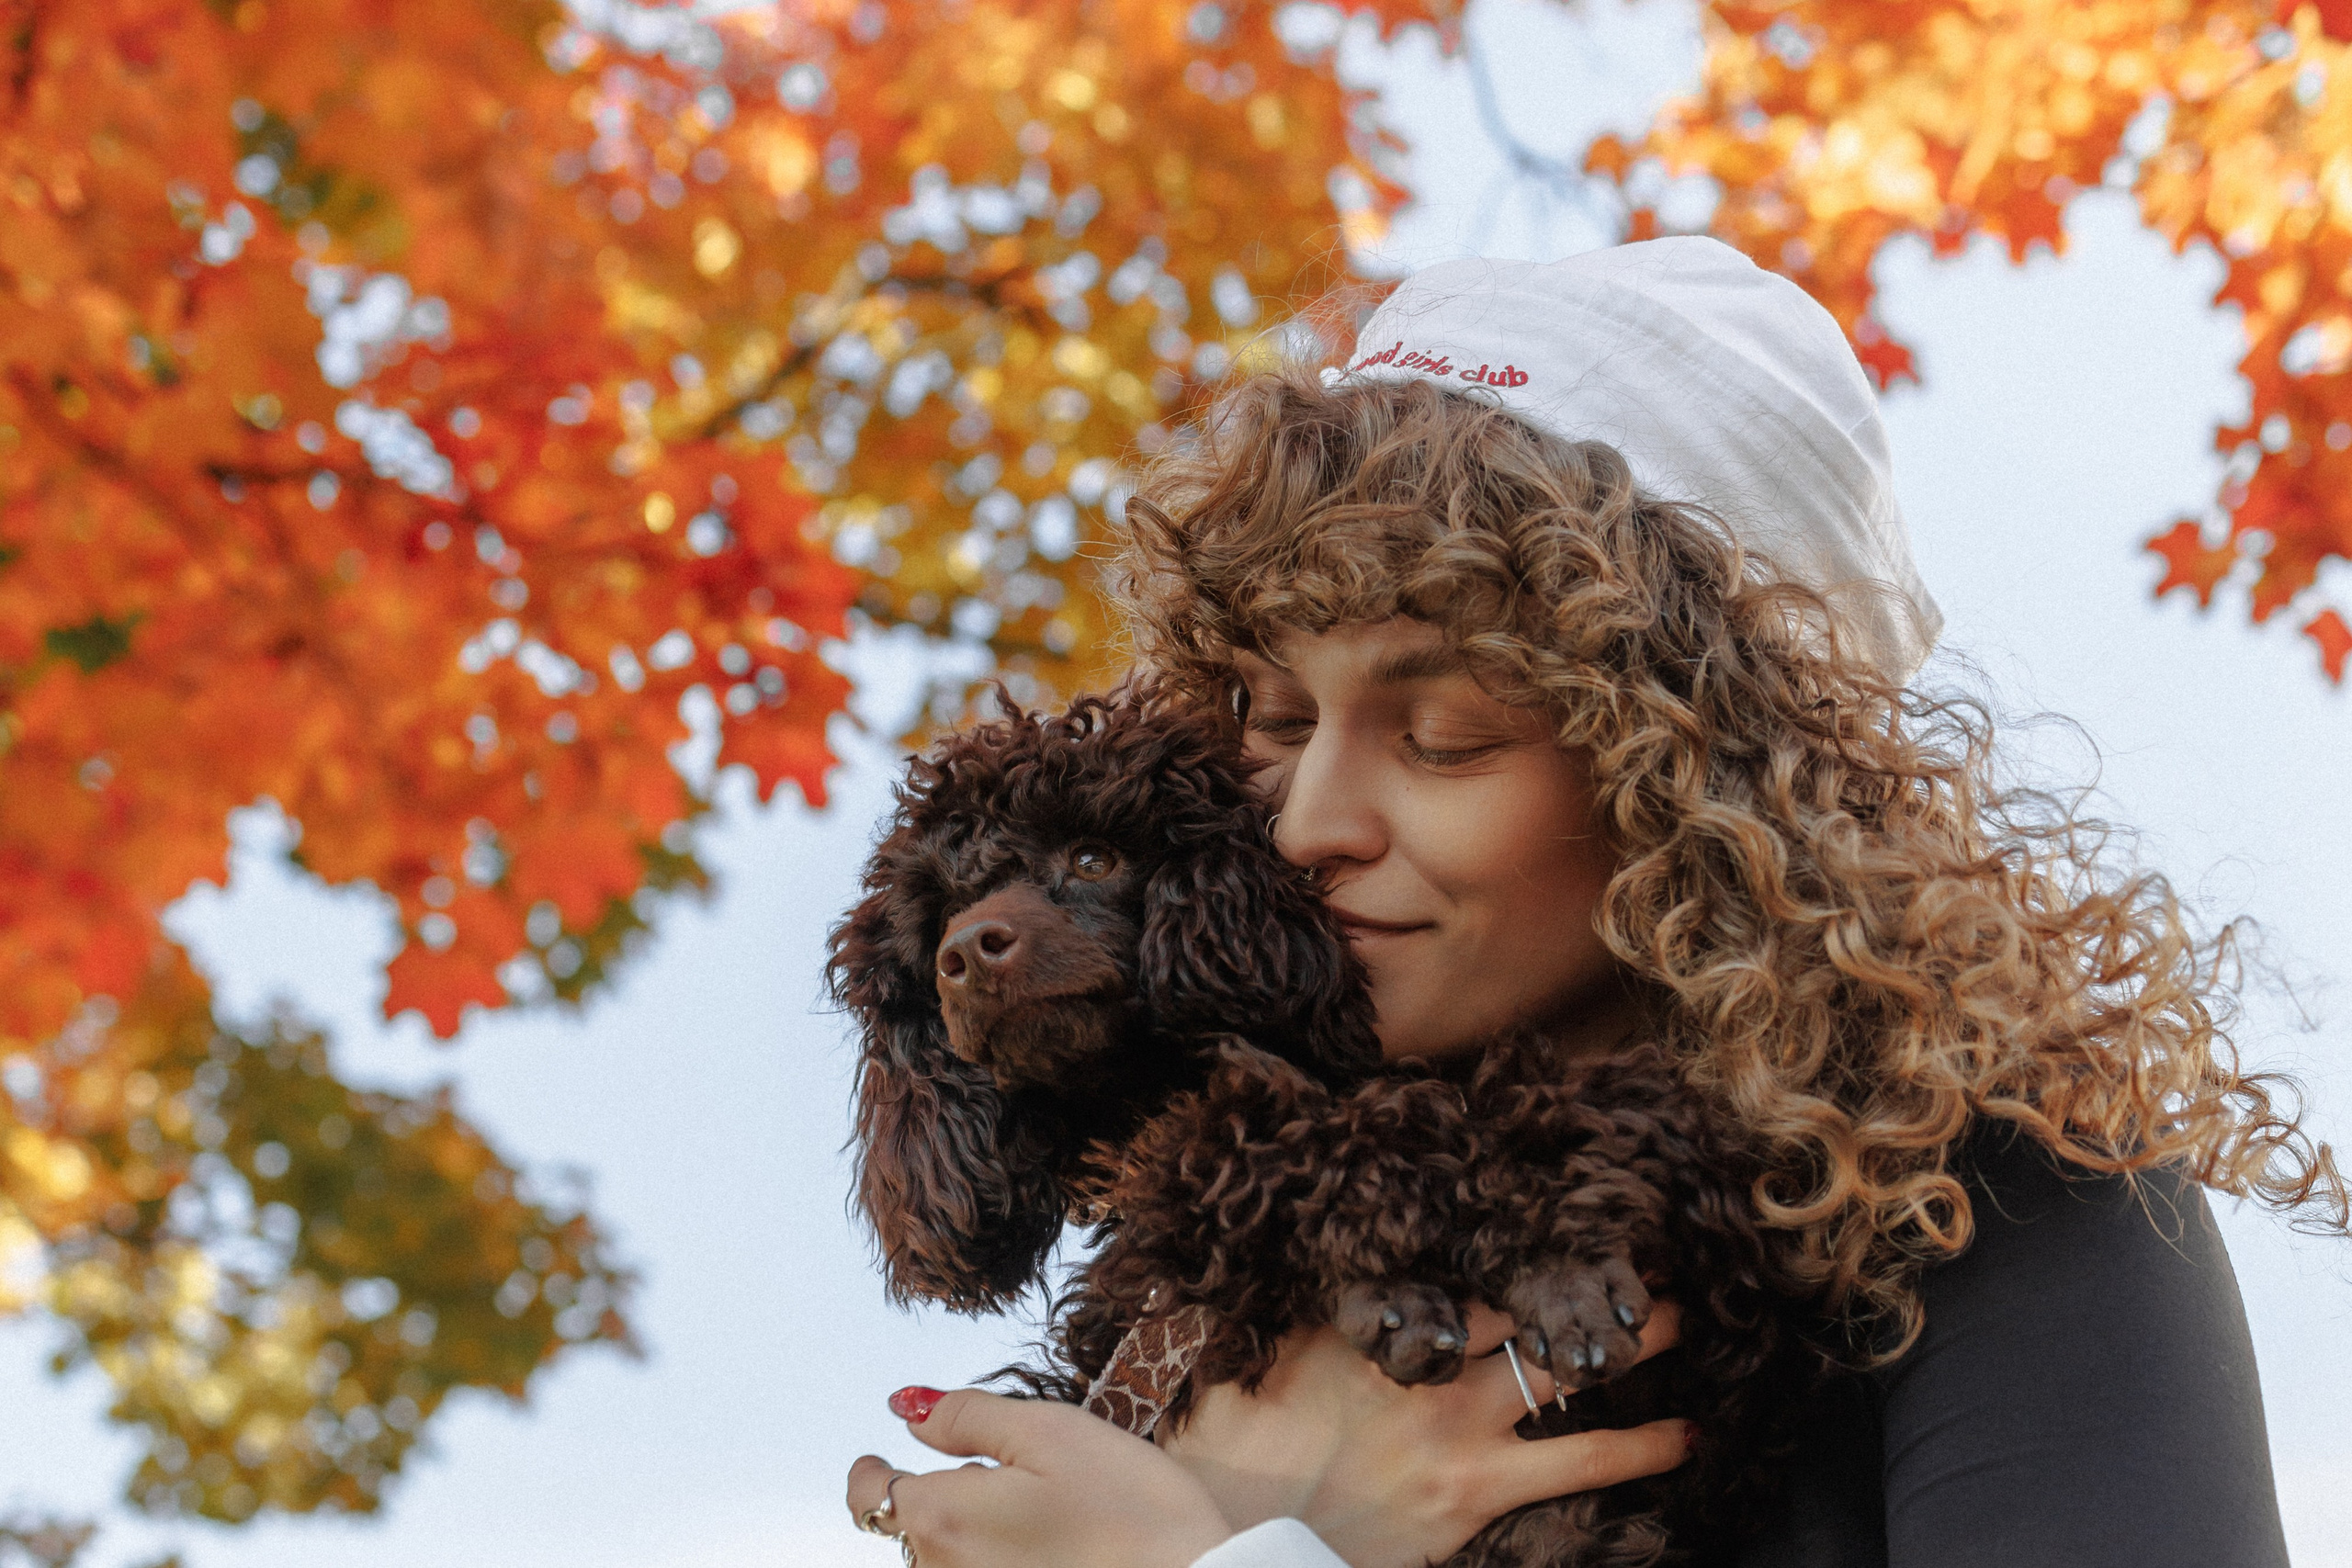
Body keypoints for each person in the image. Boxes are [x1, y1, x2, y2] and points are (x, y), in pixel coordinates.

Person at [842, 239, 2345, 1568]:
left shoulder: (1999, 1211)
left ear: (1700, 790)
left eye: (1443, 737)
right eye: (1276, 718)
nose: (1306, 824)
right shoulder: (1192, 1250)